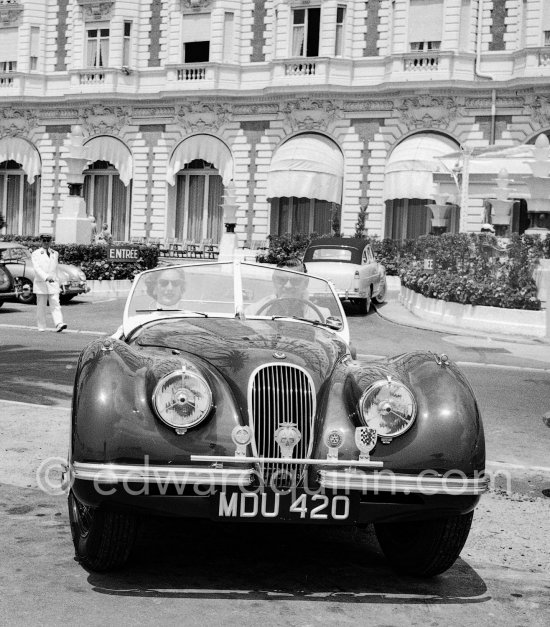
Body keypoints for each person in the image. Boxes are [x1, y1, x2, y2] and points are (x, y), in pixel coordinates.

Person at [247, 258, 328, 320]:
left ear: (306, 283)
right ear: (274, 280)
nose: (288, 286)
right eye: (282, 280)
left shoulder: (321, 315)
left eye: (295, 281)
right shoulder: (253, 311)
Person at [31, 233, 67, 332]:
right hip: (41, 283)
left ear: (51, 241)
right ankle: (41, 326)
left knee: (55, 303)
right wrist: (46, 277)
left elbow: (56, 269)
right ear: (41, 241)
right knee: (41, 306)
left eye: (48, 240)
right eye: (44, 241)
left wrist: (61, 282)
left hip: (53, 283)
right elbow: (37, 268)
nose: (46, 243)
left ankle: (59, 323)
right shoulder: (36, 253)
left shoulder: (55, 253)